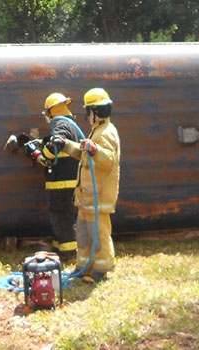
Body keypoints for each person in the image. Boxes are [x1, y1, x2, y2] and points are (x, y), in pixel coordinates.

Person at [50, 87, 120, 283]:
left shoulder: (106, 133)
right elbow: (84, 155)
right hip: (87, 196)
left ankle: (101, 269)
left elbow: (108, 160)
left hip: (98, 197)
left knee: (98, 235)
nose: (86, 115)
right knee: (83, 233)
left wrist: (95, 149)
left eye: (88, 111)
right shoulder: (96, 131)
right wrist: (66, 145)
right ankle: (83, 267)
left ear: (95, 111)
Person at [27, 93, 81, 263]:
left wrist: (43, 157)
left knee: (61, 215)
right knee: (62, 214)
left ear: (51, 111)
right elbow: (54, 140)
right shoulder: (70, 123)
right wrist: (39, 143)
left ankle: (69, 254)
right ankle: (59, 247)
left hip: (62, 181)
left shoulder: (59, 122)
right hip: (70, 180)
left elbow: (57, 141)